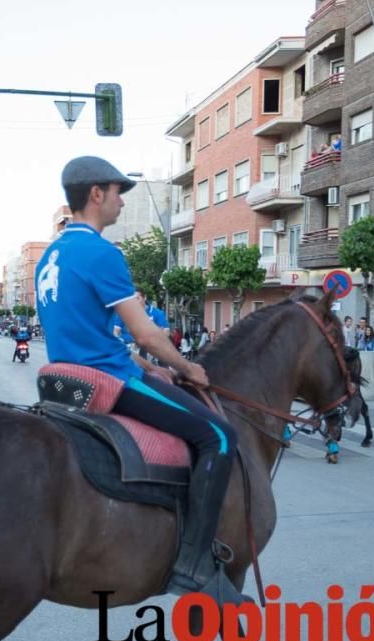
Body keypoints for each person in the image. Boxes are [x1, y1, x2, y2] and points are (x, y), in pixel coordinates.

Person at [35, 155, 239, 603]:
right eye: (117, 193)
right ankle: (192, 564)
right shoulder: (101, 252)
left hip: (66, 376)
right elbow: (145, 330)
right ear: (96, 195)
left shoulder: (52, 253)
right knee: (220, 438)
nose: (121, 203)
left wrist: (151, 366)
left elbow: (86, 330)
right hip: (106, 380)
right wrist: (187, 367)